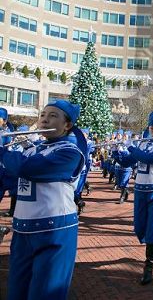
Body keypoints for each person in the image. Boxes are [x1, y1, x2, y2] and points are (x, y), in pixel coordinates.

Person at [1, 100, 86, 300]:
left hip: (54, 233)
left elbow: (29, 169)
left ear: (67, 125)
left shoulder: (70, 152)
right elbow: (9, 179)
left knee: (45, 294)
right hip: (22, 231)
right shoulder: (30, 150)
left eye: (53, 116)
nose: (45, 119)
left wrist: (2, 152)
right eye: (43, 115)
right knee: (17, 292)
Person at [115, 112, 153, 285]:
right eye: (152, 127)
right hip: (140, 190)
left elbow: (150, 159)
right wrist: (118, 151)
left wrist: (132, 148)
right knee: (139, 228)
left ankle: (149, 264)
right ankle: (149, 254)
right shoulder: (143, 145)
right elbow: (126, 162)